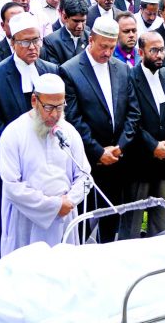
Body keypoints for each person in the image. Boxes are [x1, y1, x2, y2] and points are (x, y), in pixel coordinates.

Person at [0, 12, 59, 257]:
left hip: (48, 165)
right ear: (12, 42)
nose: (33, 47)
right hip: (16, 165)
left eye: (37, 40)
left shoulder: (51, 71)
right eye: (25, 42)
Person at [60, 17, 140, 242]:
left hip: (117, 158)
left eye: (111, 47)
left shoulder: (122, 69)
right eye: (103, 46)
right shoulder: (70, 70)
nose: (107, 52)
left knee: (111, 218)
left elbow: (133, 113)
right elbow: (74, 119)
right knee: (84, 222)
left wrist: (119, 148)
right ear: (91, 39)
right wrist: (98, 152)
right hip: (88, 160)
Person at [0, 73, 91, 256]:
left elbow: (84, 175)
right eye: (49, 107)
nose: (55, 114)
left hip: (64, 217)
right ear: (34, 100)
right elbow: (12, 186)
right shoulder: (13, 133)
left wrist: (69, 201)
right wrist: (52, 205)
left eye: (60, 106)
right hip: (26, 221)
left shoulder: (69, 132)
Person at [119, 31, 165, 239]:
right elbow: (131, 121)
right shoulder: (130, 78)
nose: (159, 55)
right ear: (141, 52)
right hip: (140, 160)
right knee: (133, 218)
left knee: (160, 215)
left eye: (162, 50)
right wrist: (153, 146)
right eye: (154, 50)